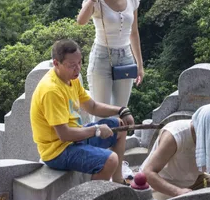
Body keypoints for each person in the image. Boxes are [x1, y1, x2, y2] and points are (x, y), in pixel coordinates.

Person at [30, 39, 135, 182]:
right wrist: (96, 129)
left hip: (76, 138)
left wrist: (122, 110)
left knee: (120, 126)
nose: (77, 69)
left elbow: (92, 106)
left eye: (80, 63)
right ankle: (94, 195)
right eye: (72, 65)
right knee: (110, 160)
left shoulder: (72, 79)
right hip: (57, 151)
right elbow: (64, 134)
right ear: (56, 63)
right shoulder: (51, 90)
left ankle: (118, 181)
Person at [76, 0, 144, 109]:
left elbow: (134, 32)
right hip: (102, 56)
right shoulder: (95, 0)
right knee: (101, 111)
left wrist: (139, 64)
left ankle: (120, 134)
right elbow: (81, 21)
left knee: (121, 112)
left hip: (126, 56)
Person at [140, 104, 210, 199]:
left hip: (196, 181)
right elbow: (148, 172)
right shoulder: (175, 136)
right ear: (209, 132)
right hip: (164, 184)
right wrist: (177, 191)